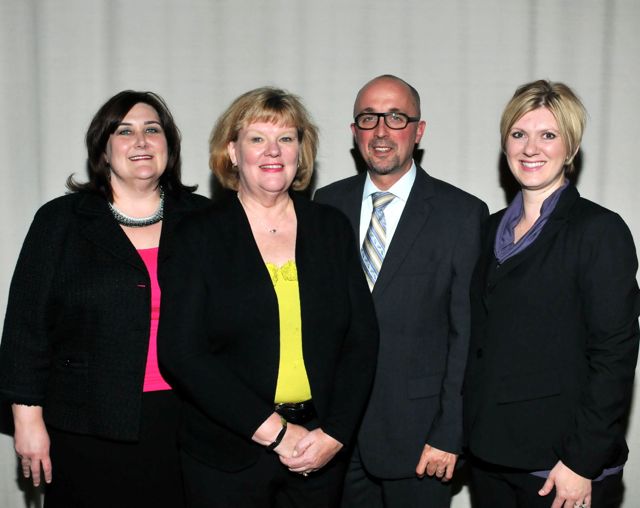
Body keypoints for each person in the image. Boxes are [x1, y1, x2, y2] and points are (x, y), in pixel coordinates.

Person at [157, 86, 378, 508]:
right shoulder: (197, 235)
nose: (272, 151)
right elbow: (182, 353)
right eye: (257, 138)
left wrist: (335, 434)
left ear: (301, 152)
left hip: (318, 450)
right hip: (226, 454)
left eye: (286, 139)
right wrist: (276, 432)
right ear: (233, 152)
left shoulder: (330, 228)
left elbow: (362, 338)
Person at [0, 90, 209, 507]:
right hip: (85, 425)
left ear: (169, 144)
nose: (141, 141)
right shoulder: (60, 221)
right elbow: (26, 328)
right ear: (103, 147)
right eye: (124, 131)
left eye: (153, 129)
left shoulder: (206, 220)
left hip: (189, 421)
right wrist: (27, 420)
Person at [463, 79, 640, 508]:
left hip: (559, 466)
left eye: (548, 135)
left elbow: (614, 354)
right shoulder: (488, 229)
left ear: (571, 148)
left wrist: (581, 462)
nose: (530, 148)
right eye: (519, 134)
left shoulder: (598, 230)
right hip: (489, 456)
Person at [315, 74, 488, 507]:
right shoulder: (325, 203)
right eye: (368, 118)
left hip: (421, 438)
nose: (380, 131)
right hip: (337, 435)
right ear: (354, 132)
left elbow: (465, 334)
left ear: (418, 130)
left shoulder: (462, 214)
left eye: (395, 117)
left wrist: (451, 433)